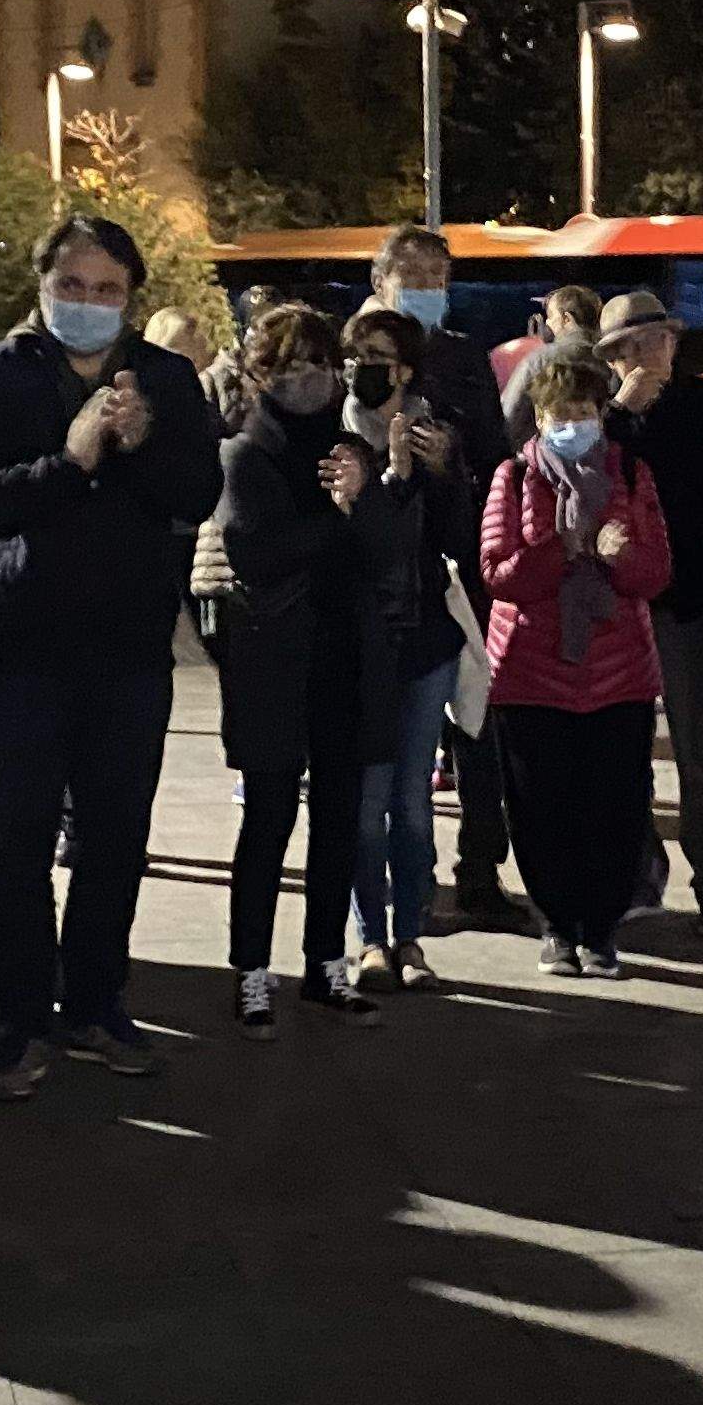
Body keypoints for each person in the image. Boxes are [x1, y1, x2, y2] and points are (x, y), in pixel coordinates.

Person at [0, 216, 224, 1099]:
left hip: (128, 649)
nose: (90, 304)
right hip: (22, 646)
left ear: (131, 296)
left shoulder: (169, 380)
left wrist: (138, 450)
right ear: (42, 286)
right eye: (73, 286)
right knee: (16, 844)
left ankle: (97, 1003)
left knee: (113, 842)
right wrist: (70, 461)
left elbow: (199, 491)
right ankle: (20, 1020)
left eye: (108, 290)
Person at [199, 306, 393, 1035]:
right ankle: (252, 972)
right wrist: (336, 520)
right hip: (270, 659)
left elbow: (382, 553)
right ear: (257, 376)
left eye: (317, 365)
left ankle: (325, 967)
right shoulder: (245, 453)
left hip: (343, 653)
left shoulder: (347, 449)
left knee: (339, 818)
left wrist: (363, 499)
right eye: (285, 368)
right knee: (270, 818)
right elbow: (256, 550)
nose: (304, 381)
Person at [479, 350, 671, 978]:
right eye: (560, 413)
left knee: (615, 808)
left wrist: (619, 556)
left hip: (618, 674)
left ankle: (601, 929)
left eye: (584, 411)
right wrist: (561, 549)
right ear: (537, 417)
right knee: (540, 809)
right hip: (531, 675)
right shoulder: (514, 477)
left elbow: (656, 572)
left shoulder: (633, 475)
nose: (573, 423)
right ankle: (558, 926)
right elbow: (497, 574)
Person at [363, 223, 529, 937]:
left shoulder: (462, 359)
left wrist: (452, 451)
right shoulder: (359, 356)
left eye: (438, 278)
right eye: (413, 276)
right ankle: (403, 888)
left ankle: (480, 871)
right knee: (390, 745)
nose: (428, 290)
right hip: (378, 566)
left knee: (477, 724)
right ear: (381, 284)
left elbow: (498, 459)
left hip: (457, 561)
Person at [591, 290, 703, 937]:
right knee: (621, 750)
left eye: (659, 339)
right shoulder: (599, 412)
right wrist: (621, 413)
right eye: (635, 344)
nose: (653, 352)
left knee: (699, 748)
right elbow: (577, 476)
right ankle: (637, 875)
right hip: (616, 600)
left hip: (687, 596)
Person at [336, 305, 466, 995]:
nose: (364, 367)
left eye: (379, 355)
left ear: (406, 368)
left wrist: (442, 475)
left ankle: (411, 933)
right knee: (366, 800)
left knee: (413, 801)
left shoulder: (435, 434)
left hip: (423, 642)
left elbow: (459, 540)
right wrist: (381, 481)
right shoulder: (332, 437)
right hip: (359, 646)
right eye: (356, 353)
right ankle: (370, 939)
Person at [496, 284, 606, 439]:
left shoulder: (540, 359)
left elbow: (511, 415)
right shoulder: (612, 358)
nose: (547, 323)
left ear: (566, 318)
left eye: (551, 316)